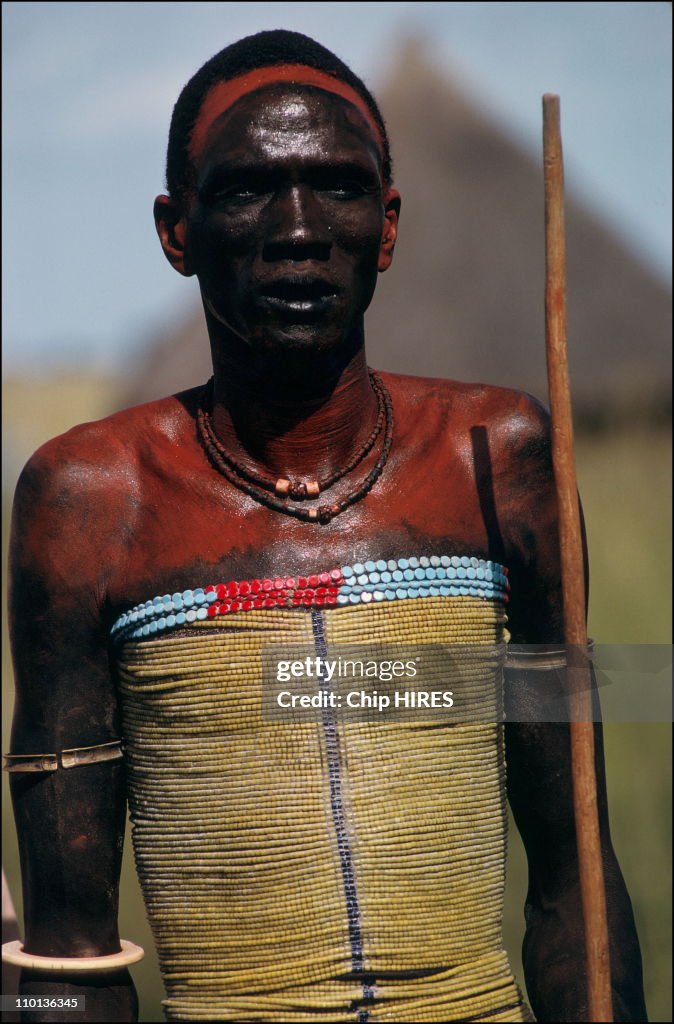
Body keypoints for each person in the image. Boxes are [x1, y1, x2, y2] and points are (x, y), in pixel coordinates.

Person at [5, 29, 646, 1024]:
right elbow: (65, 953)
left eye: (337, 186)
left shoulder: (495, 456)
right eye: (249, 188)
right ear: (177, 230)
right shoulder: (91, 500)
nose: (297, 227)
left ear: (387, 227)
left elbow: (574, 878)